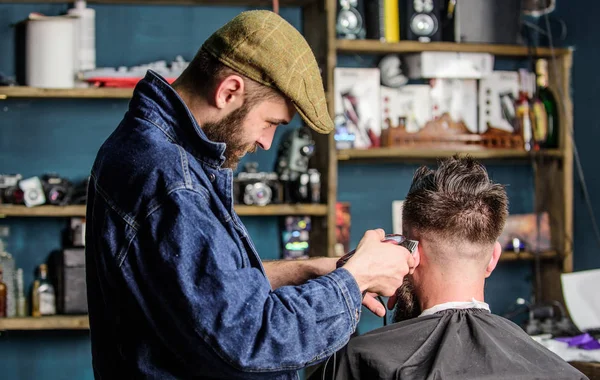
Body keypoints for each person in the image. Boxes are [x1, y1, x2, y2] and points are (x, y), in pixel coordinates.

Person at [84, 10, 416, 380]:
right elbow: (251, 341)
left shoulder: (150, 149)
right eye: (271, 122)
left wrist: (310, 271)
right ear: (229, 91)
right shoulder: (172, 182)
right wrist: (353, 281)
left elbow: (203, 291)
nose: (266, 141)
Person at [334, 156, 589, 380]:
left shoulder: (363, 360)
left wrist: (342, 289)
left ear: (409, 254)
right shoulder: (559, 370)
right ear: (493, 258)